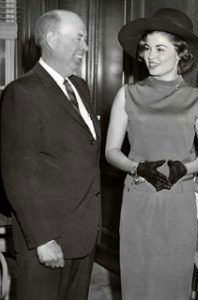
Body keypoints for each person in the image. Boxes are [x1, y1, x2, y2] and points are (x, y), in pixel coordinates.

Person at [105, 7, 198, 300]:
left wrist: (184, 168)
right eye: (147, 48)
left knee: (173, 281)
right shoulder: (127, 94)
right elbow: (111, 151)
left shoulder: (196, 98)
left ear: (181, 53)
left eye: (160, 48)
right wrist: (136, 168)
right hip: (139, 195)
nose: (150, 55)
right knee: (138, 280)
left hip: (178, 199)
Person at [1, 10, 101, 300]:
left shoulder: (80, 87)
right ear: (52, 40)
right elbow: (19, 174)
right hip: (47, 237)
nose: (85, 47)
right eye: (79, 39)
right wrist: (43, 239)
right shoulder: (22, 93)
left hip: (82, 233)